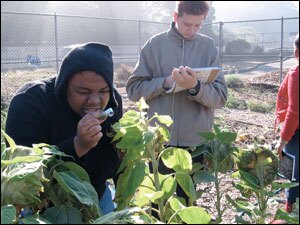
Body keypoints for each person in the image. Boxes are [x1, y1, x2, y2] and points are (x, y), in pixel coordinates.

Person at [126, 1, 227, 206]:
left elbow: (220, 97)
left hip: (195, 141)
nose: (192, 30)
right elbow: (133, 90)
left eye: (198, 25)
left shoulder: (207, 46)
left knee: (186, 201)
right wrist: (165, 82)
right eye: (187, 24)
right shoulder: (154, 45)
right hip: (159, 139)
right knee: (158, 202)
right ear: (175, 16)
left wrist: (195, 87)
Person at [5, 42, 123, 215]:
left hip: (98, 195)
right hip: (46, 207)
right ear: (64, 84)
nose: (95, 101)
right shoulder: (31, 101)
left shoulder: (112, 101)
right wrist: (77, 146)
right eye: (83, 92)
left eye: (103, 91)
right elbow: (21, 175)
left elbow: (119, 157)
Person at [275, 33, 299, 213]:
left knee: (293, 170)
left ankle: (291, 206)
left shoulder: (296, 74)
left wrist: (282, 140)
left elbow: (294, 111)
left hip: (296, 134)